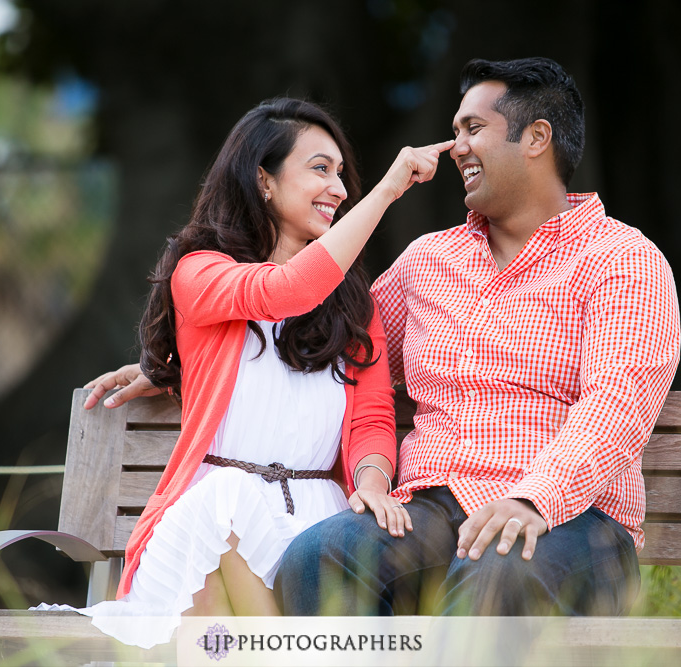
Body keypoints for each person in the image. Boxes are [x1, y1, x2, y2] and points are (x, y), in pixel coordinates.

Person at [271, 57, 681, 617]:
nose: (455, 146)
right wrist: (174, 365)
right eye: (455, 130)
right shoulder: (428, 260)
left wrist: (536, 497)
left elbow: (617, 402)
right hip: (432, 508)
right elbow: (336, 348)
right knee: (318, 557)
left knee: (495, 574)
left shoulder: (622, 260)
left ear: (536, 138)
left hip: (572, 518)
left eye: (473, 129)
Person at [57, 97, 454, 648]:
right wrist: (388, 190)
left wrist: (371, 482)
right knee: (226, 503)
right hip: (214, 523)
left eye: (342, 174)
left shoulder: (352, 305)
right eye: (320, 169)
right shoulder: (200, 271)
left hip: (315, 520)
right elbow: (284, 291)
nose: (339, 189)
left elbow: (371, 415)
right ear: (263, 180)